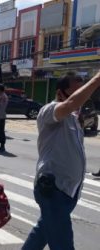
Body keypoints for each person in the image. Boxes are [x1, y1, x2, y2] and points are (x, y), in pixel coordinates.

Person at [22, 71, 100, 250]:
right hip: (53, 188)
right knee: (63, 244)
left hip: (68, 190)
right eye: (77, 92)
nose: (82, 97)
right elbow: (71, 103)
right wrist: (97, 80)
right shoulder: (49, 111)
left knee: (41, 235)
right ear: (60, 93)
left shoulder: (74, 119)